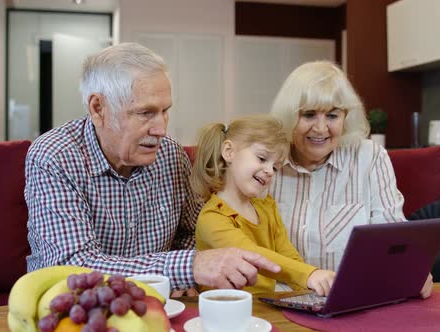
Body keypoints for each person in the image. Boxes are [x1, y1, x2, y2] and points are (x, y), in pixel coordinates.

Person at [24, 42, 280, 294]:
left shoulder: (170, 154)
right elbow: (74, 268)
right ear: (98, 108)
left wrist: (181, 281)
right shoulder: (54, 157)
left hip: (160, 302)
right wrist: (186, 268)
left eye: (165, 111)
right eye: (145, 113)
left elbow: (192, 231)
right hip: (78, 305)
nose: (161, 129)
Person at [268, 60, 433, 298]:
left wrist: (412, 269)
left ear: (346, 118)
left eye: (332, 115)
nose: (321, 128)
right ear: (289, 116)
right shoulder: (267, 161)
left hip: (353, 299)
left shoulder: (370, 156)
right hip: (279, 299)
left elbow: (393, 235)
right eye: (309, 114)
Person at [190, 114, 336, 296]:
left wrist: (313, 290)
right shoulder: (212, 217)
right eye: (261, 158)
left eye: (275, 167)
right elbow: (251, 254)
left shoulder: (267, 207)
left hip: (264, 307)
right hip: (225, 308)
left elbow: (289, 256)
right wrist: (309, 275)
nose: (269, 171)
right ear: (229, 152)